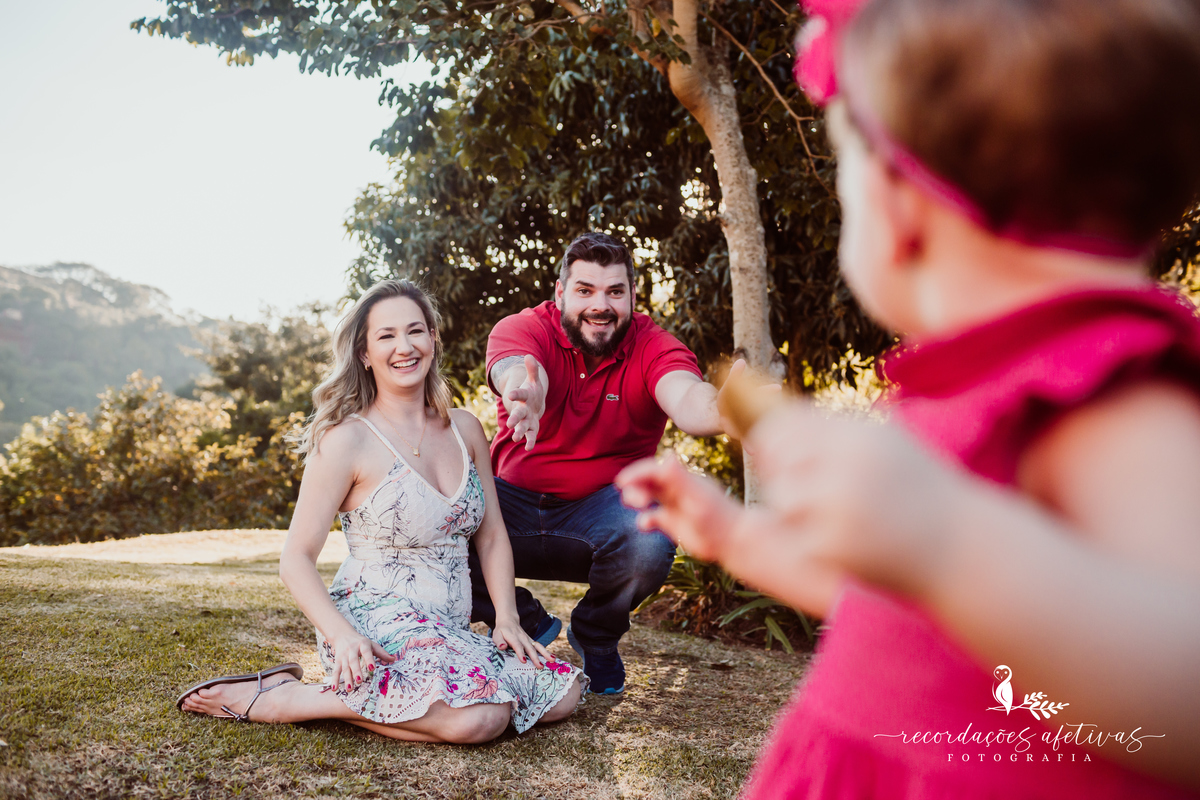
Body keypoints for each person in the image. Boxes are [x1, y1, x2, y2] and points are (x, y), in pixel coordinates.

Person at [619, 0, 1200, 795]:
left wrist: (949, 538)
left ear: (899, 209)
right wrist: (739, 538)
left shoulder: (1114, 393)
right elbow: (904, 611)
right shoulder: (975, 382)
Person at [178, 279, 584, 743]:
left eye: (415, 331)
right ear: (365, 354)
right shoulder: (345, 439)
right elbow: (295, 559)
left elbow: (491, 537)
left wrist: (507, 618)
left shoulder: (466, 430)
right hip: (371, 623)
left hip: (446, 629)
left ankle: (412, 697)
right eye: (386, 336)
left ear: (433, 338)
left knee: (562, 692)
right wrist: (341, 636)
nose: (405, 346)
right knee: (483, 718)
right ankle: (286, 699)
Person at [469, 231, 737, 695]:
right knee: (437, 524)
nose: (601, 304)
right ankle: (524, 617)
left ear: (632, 295)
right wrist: (525, 390)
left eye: (615, 291)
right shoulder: (524, 328)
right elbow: (515, 367)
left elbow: (687, 395)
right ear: (560, 293)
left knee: (650, 537)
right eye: (585, 290)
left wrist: (722, 412)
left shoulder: (653, 345)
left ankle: (595, 634)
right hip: (508, 514)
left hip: (601, 518)